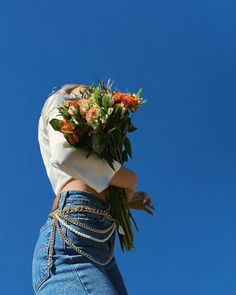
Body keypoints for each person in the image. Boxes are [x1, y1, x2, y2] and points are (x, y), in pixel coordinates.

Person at [32, 84, 155, 294]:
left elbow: (95, 177)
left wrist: (127, 199)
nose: (92, 93)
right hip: (72, 236)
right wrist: (130, 181)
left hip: (101, 245)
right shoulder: (59, 99)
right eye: (85, 88)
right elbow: (65, 156)